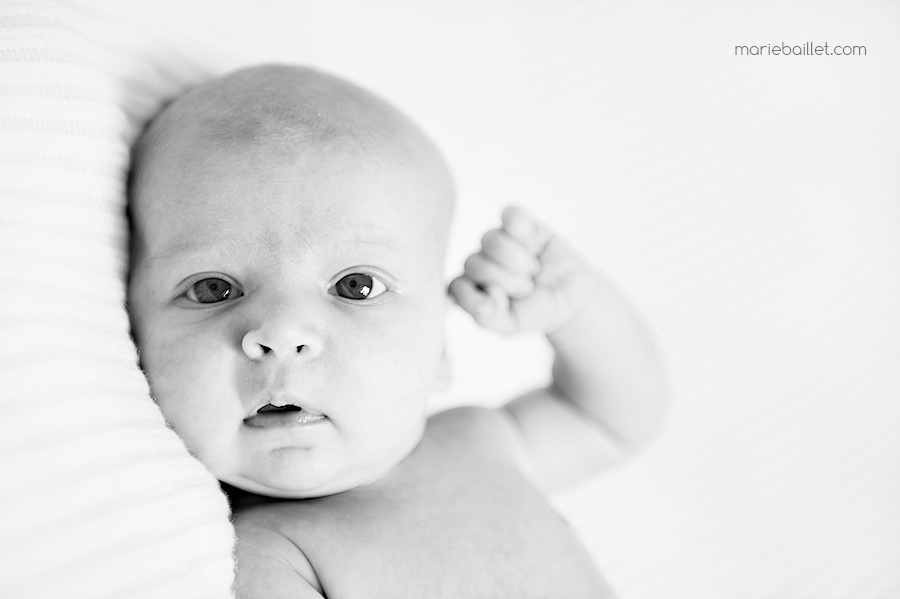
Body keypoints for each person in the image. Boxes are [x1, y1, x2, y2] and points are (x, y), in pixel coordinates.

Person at [127, 63, 668, 598]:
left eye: (356, 285)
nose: (282, 333)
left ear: (440, 350)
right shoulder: (262, 555)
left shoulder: (481, 447)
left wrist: (576, 308)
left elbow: (614, 416)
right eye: (212, 289)